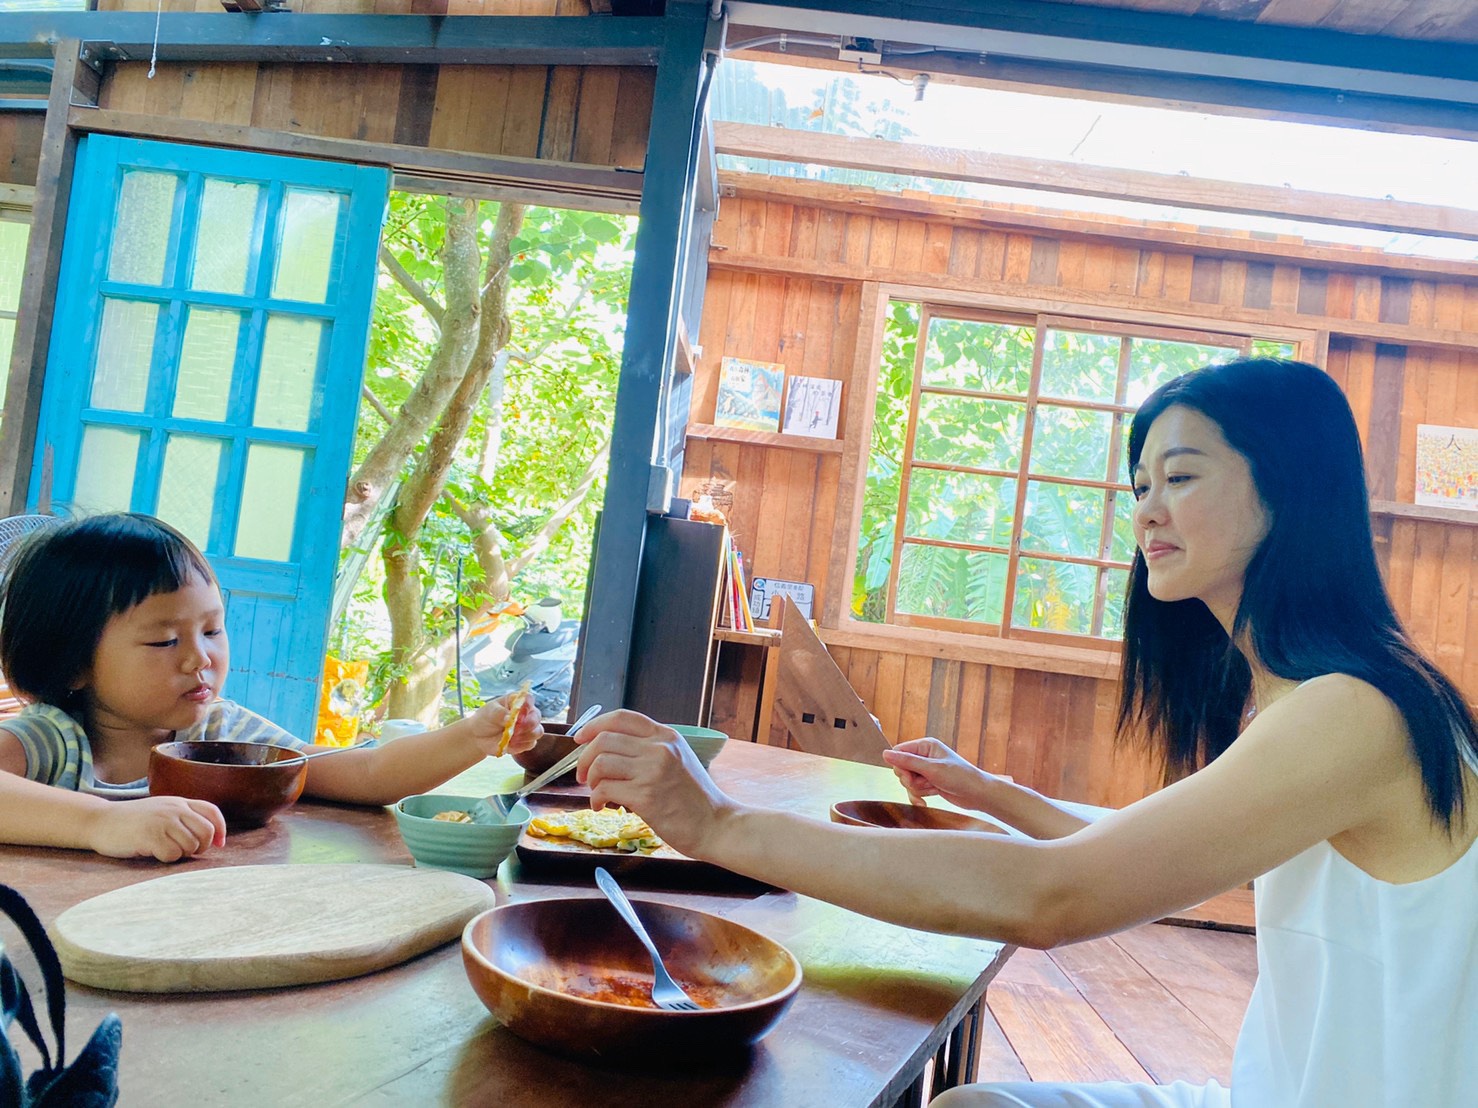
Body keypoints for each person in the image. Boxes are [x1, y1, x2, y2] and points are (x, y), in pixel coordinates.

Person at [564, 359, 1478, 1107]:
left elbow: (1057, 898)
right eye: (1141, 483)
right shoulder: (1310, 699)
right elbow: (1139, 856)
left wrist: (719, 825)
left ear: (1292, 492)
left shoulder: (1354, 713)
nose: (1147, 509)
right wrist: (987, 791)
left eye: (1184, 475)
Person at [0, 512, 542, 863]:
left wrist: (471, 737)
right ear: (73, 664)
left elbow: (366, 773)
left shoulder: (223, 735)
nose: (201, 658)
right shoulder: (53, 742)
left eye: (212, 630)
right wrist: (105, 822)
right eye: (164, 641)